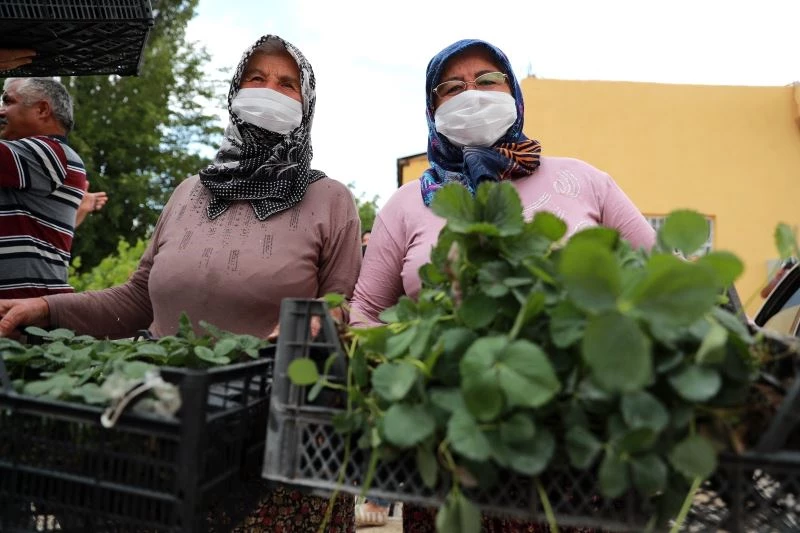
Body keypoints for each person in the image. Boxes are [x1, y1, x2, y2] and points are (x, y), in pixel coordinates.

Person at [0, 34, 361, 532]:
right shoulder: (190, 192)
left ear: (307, 102)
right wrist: (45, 308)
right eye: (256, 78)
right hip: (171, 436)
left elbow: (343, 307)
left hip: (277, 446)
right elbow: (135, 299)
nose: (268, 91)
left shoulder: (330, 200)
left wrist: (315, 323)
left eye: (286, 84)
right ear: (235, 91)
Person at [349, 38, 656, 533]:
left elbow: (657, 270)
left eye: (488, 80)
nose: (472, 94)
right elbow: (365, 311)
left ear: (513, 90)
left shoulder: (583, 180)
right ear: (432, 108)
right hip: (454, 456)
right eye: (452, 87)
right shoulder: (407, 204)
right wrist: (402, 379)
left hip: (579, 452)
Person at [0, 77, 87, 299]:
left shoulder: (51, 152)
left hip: (24, 310)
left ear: (42, 109)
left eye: (8, 101)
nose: (1, 111)